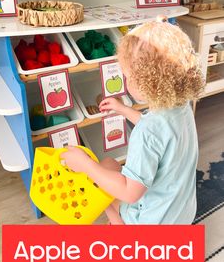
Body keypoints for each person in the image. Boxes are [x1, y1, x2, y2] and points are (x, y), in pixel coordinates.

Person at [61, 20, 204, 224]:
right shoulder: (182, 107)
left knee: (95, 183)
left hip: (152, 225)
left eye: (127, 76)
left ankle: (121, 232)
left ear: (147, 82)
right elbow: (159, 134)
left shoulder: (146, 132)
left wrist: (86, 165)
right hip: (181, 214)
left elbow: (130, 193)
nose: (124, 79)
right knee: (110, 164)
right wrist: (123, 109)